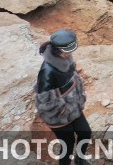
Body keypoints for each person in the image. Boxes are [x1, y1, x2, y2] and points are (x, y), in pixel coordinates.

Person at [35, 29, 89, 165]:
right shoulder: (47, 70)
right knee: (67, 145)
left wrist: (78, 96)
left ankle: (80, 159)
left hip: (72, 105)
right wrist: (62, 109)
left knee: (85, 133)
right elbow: (44, 99)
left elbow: (73, 76)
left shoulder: (66, 56)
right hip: (58, 114)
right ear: (56, 49)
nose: (69, 54)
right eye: (67, 51)